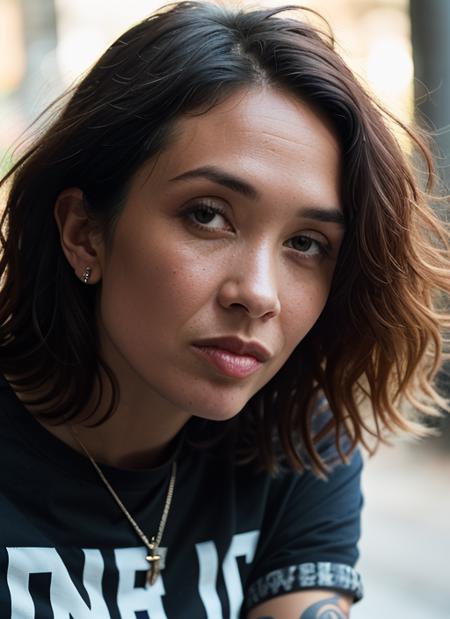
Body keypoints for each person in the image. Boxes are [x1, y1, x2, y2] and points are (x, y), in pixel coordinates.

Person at [0, 1, 448, 617]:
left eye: (306, 243)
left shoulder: (296, 438)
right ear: (84, 231)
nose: (259, 293)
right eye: (206, 215)